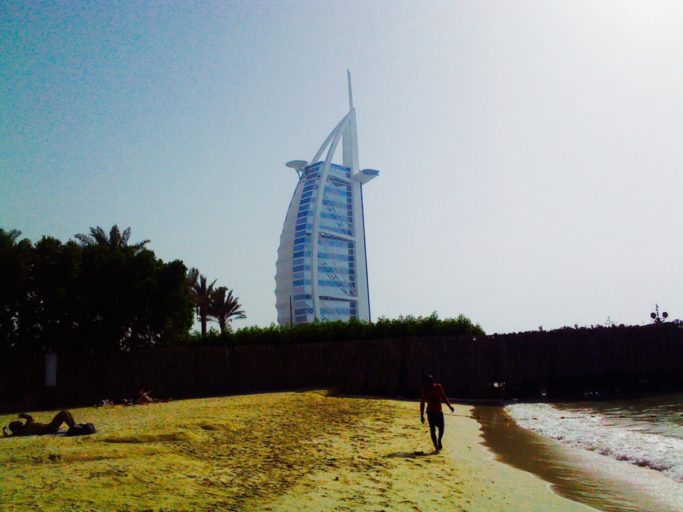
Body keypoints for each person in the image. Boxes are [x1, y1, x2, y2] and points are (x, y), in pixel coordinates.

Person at [420, 374, 454, 452]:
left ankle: (439, 440)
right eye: (427, 382)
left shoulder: (438, 387)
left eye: (430, 382)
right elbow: (422, 403)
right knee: (432, 430)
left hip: (439, 412)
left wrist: (450, 406)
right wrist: (422, 416)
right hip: (430, 413)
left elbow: (444, 397)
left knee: (441, 429)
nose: (429, 384)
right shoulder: (424, 390)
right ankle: (436, 447)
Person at [3, 410, 76, 437]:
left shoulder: (23, 430)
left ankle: (74, 426)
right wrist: (23, 415)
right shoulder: (26, 427)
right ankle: (73, 427)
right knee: (63, 413)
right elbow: (30, 417)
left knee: (65, 412)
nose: (18, 421)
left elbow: (10, 435)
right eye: (16, 423)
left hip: (49, 428)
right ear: (16, 427)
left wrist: (5, 430)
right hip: (49, 428)